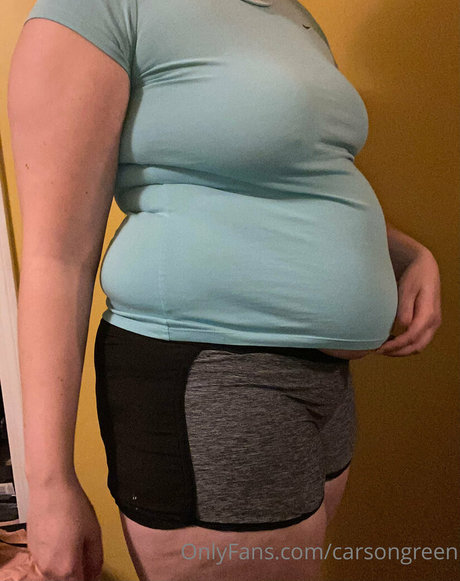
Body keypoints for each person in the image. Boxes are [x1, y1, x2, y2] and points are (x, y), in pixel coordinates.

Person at [7, 0, 442, 580]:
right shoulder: (103, 6)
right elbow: (55, 257)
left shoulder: (290, 14)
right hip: (213, 376)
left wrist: (407, 253)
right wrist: (50, 485)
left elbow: (297, 178)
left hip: (324, 386)